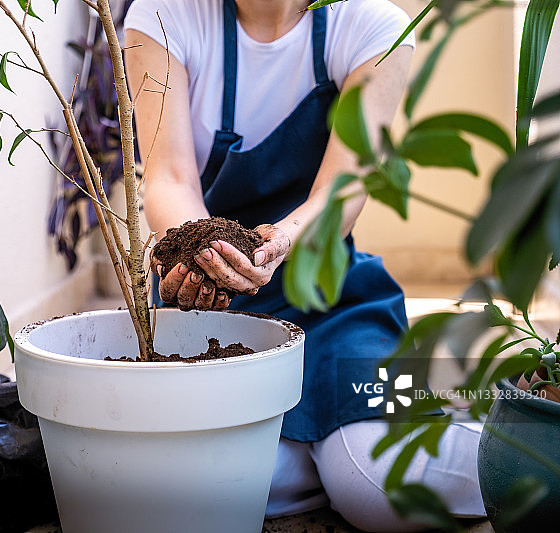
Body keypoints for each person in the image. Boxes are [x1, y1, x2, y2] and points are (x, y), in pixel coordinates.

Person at [123, 0, 485, 531]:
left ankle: (519, 429)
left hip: (327, 300)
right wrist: (200, 261)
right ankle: (339, 435)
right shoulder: (162, 15)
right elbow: (169, 177)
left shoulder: (371, 26)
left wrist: (273, 247)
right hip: (207, 313)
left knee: (375, 486)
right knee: (205, 489)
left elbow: (340, 193)